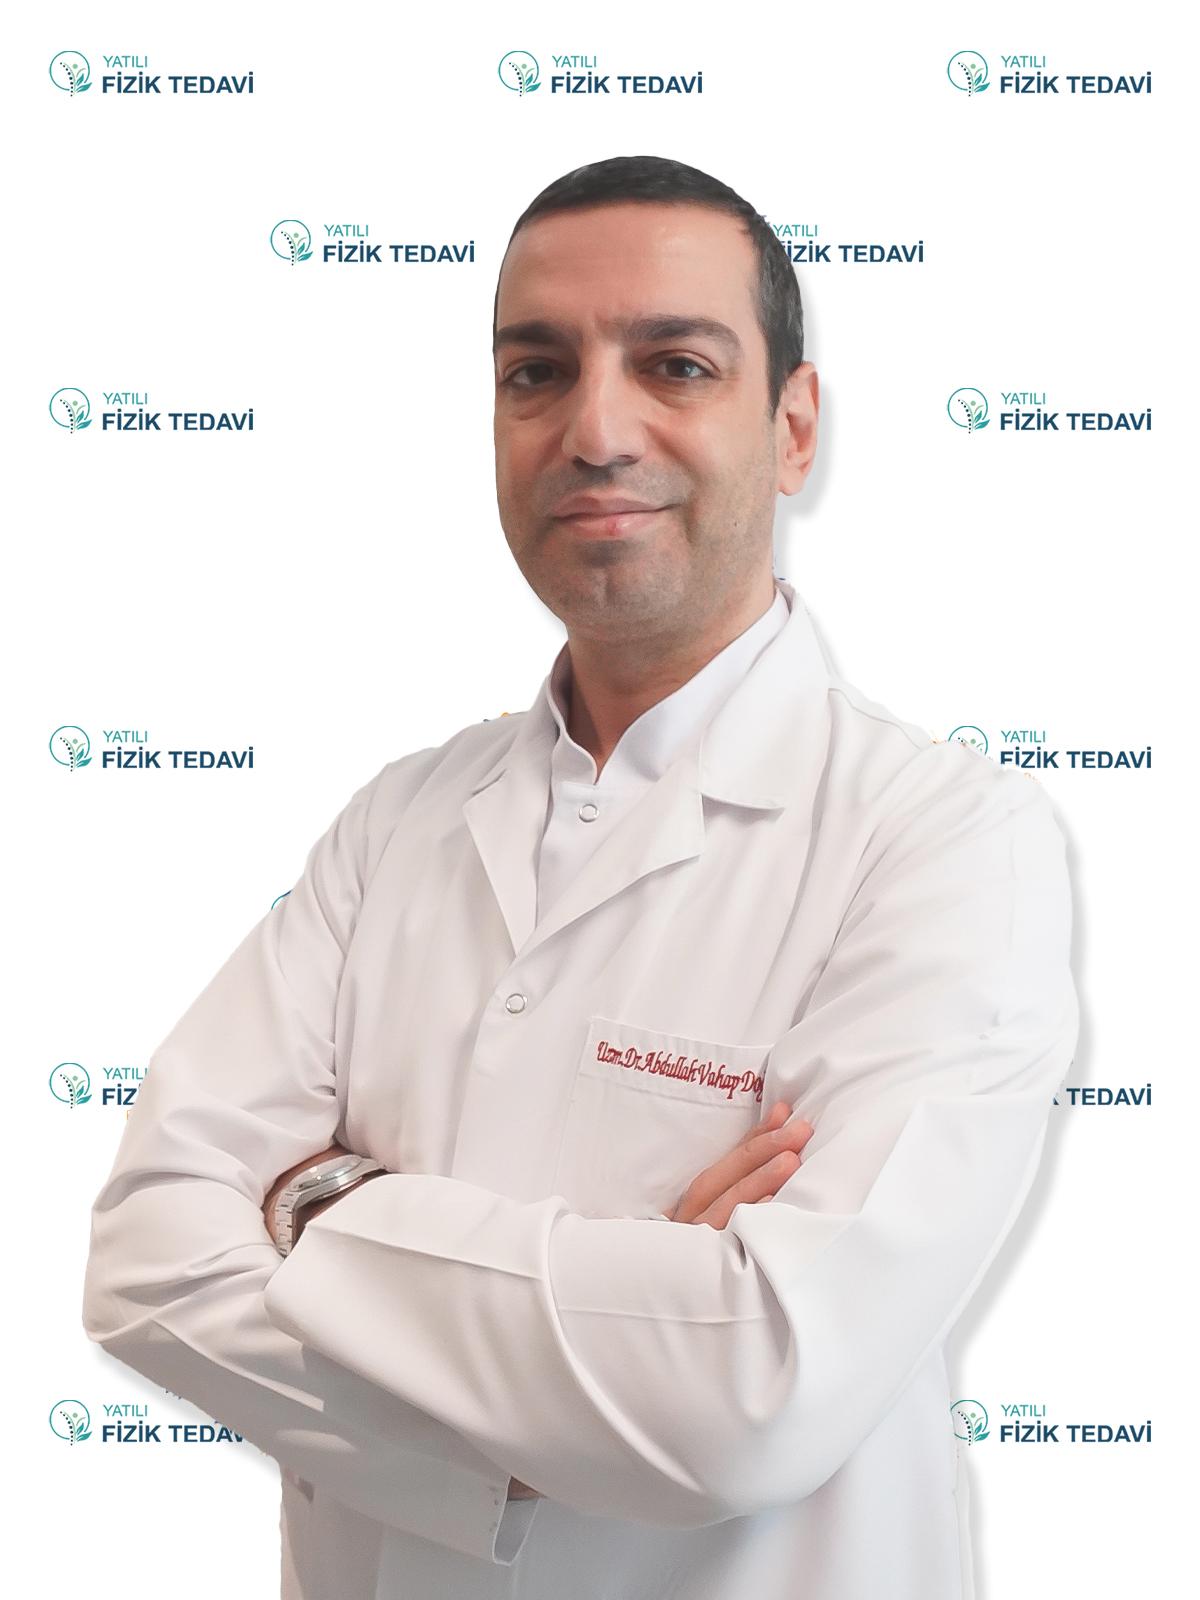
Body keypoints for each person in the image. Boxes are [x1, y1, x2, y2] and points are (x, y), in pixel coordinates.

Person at [82, 155, 1078, 1600]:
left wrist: (316, 1209)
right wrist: (601, 1353)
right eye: (536, 373)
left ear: (794, 429)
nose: (596, 431)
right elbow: (147, 1257)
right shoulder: (398, 822)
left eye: (676, 365)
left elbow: (753, 1392)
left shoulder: (948, 841)